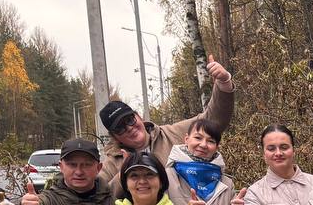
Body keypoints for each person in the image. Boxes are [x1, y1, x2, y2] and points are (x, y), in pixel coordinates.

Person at [97, 56, 235, 195]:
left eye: (130, 120)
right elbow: (101, 200)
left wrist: (223, 83)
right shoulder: (112, 164)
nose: (129, 128)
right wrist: (123, 174)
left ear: (139, 116)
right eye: (120, 128)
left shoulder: (173, 134)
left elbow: (213, 120)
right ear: (115, 137)